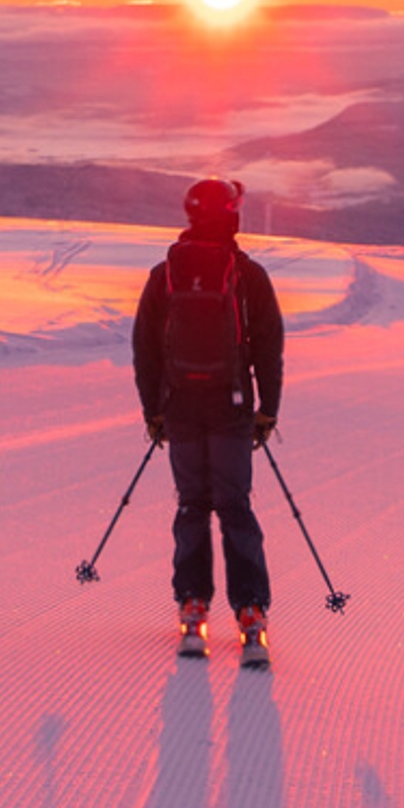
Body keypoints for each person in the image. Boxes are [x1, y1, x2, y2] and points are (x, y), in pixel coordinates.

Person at [134, 177, 286, 664]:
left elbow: (145, 346)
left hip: (179, 406)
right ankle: (251, 616)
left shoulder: (166, 273)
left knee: (192, 505)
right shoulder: (248, 275)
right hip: (232, 406)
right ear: (233, 215)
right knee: (235, 506)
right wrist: (268, 409)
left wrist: (152, 409)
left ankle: (193, 609)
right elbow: (269, 347)